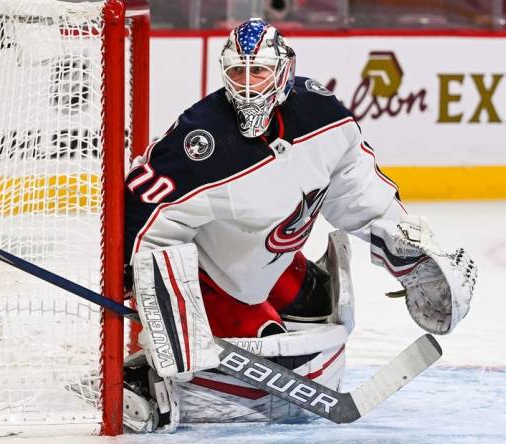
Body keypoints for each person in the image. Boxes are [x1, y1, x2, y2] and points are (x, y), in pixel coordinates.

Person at [121, 19, 477, 432]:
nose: (249, 84)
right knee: (271, 348)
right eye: (238, 72)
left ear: (284, 70)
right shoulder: (202, 141)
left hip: (270, 260)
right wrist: (149, 296)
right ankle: (141, 375)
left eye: (259, 71)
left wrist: (405, 248)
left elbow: (356, 187)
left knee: (320, 307)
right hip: (213, 277)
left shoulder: (320, 114)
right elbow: (144, 213)